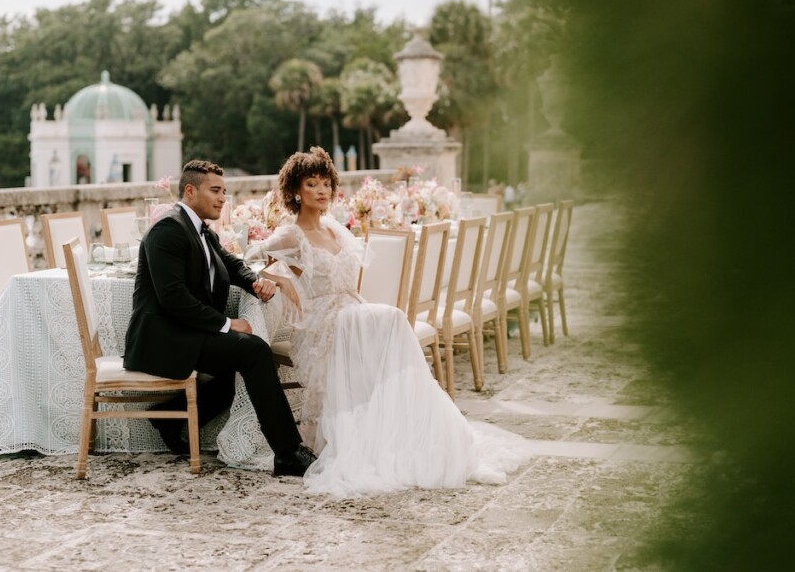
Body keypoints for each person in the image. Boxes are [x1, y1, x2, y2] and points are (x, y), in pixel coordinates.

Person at [256, 147, 529, 498]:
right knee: (394, 318)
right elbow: (251, 258)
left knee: (392, 321)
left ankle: (409, 427)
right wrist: (283, 280)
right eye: (312, 184)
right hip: (324, 320)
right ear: (296, 190)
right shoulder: (291, 235)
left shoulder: (336, 229)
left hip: (352, 311)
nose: (322, 191)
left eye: (326, 183)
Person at [123, 159, 316, 477]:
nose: (222, 198)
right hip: (162, 338)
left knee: (236, 370)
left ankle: (167, 415)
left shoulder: (200, 229)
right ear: (189, 191)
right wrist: (225, 324)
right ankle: (287, 453)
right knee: (252, 350)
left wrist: (255, 283)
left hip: (183, 331)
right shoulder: (167, 230)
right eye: (214, 191)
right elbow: (173, 298)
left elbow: (230, 262)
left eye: (224, 192)